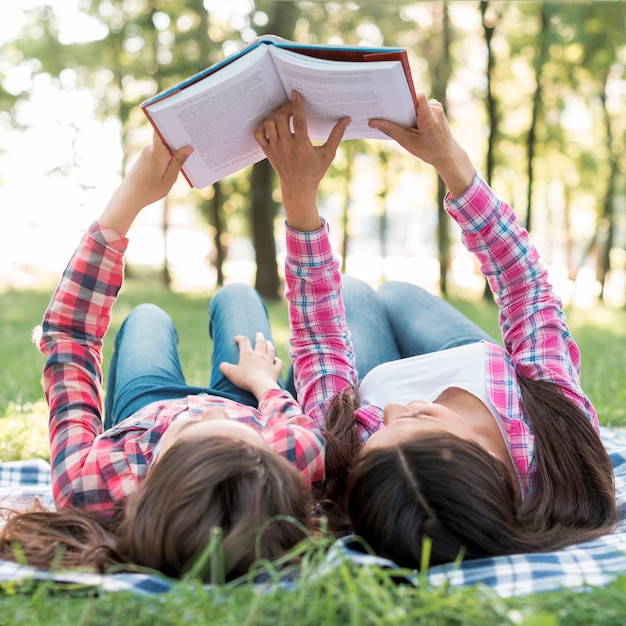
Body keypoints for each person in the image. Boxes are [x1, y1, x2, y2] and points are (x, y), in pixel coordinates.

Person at [254, 90, 617, 570]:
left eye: (381, 429)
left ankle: (374, 310)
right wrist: (449, 157)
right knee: (400, 292)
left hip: (374, 373)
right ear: (484, 464)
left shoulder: (351, 463)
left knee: (358, 294)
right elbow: (526, 291)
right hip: (480, 369)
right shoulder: (557, 439)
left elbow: (321, 346)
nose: (395, 410)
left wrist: (298, 196)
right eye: (420, 417)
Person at [0, 134, 325, 581]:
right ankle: (238, 400)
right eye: (246, 436)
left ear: (150, 485)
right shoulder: (288, 460)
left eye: (191, 429)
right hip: (246, 393)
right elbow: (297, 431)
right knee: (238, 296)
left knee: (148, 316)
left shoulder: (88, 485)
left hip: (142, 413)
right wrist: (266, 385)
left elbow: (69, 339)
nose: (199, 412)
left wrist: (131, 196)